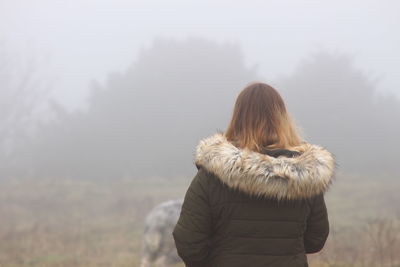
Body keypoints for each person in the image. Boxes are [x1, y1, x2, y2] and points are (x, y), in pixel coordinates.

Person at [172, 82, 336, 267]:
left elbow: (189, 243)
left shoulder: (212, 176)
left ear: (237, 118)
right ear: (282, 118)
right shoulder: (307, 176)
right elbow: (315, 240)